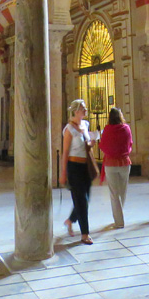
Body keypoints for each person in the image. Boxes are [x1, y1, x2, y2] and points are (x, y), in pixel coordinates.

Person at [59, 99, 94, 244]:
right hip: (73, 167)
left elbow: (86, 144)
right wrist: (63, 173)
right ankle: (85, 234)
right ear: (76, 111)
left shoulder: (85, 125)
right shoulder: (69, 129)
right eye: (83, 109)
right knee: (81, 200)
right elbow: (65, 152)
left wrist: (91, 144)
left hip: (85, 167)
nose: (86, 111)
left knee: (85, 199)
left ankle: (70, 220)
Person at [99, 107, 133, 229]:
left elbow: (102, 145)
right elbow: (130, 144)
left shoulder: (107, 130)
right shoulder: (126, 129)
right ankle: (119, 215)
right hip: (124, 162)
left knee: (114, 193)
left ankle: (119, 221)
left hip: (110, 163)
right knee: (122, 191)